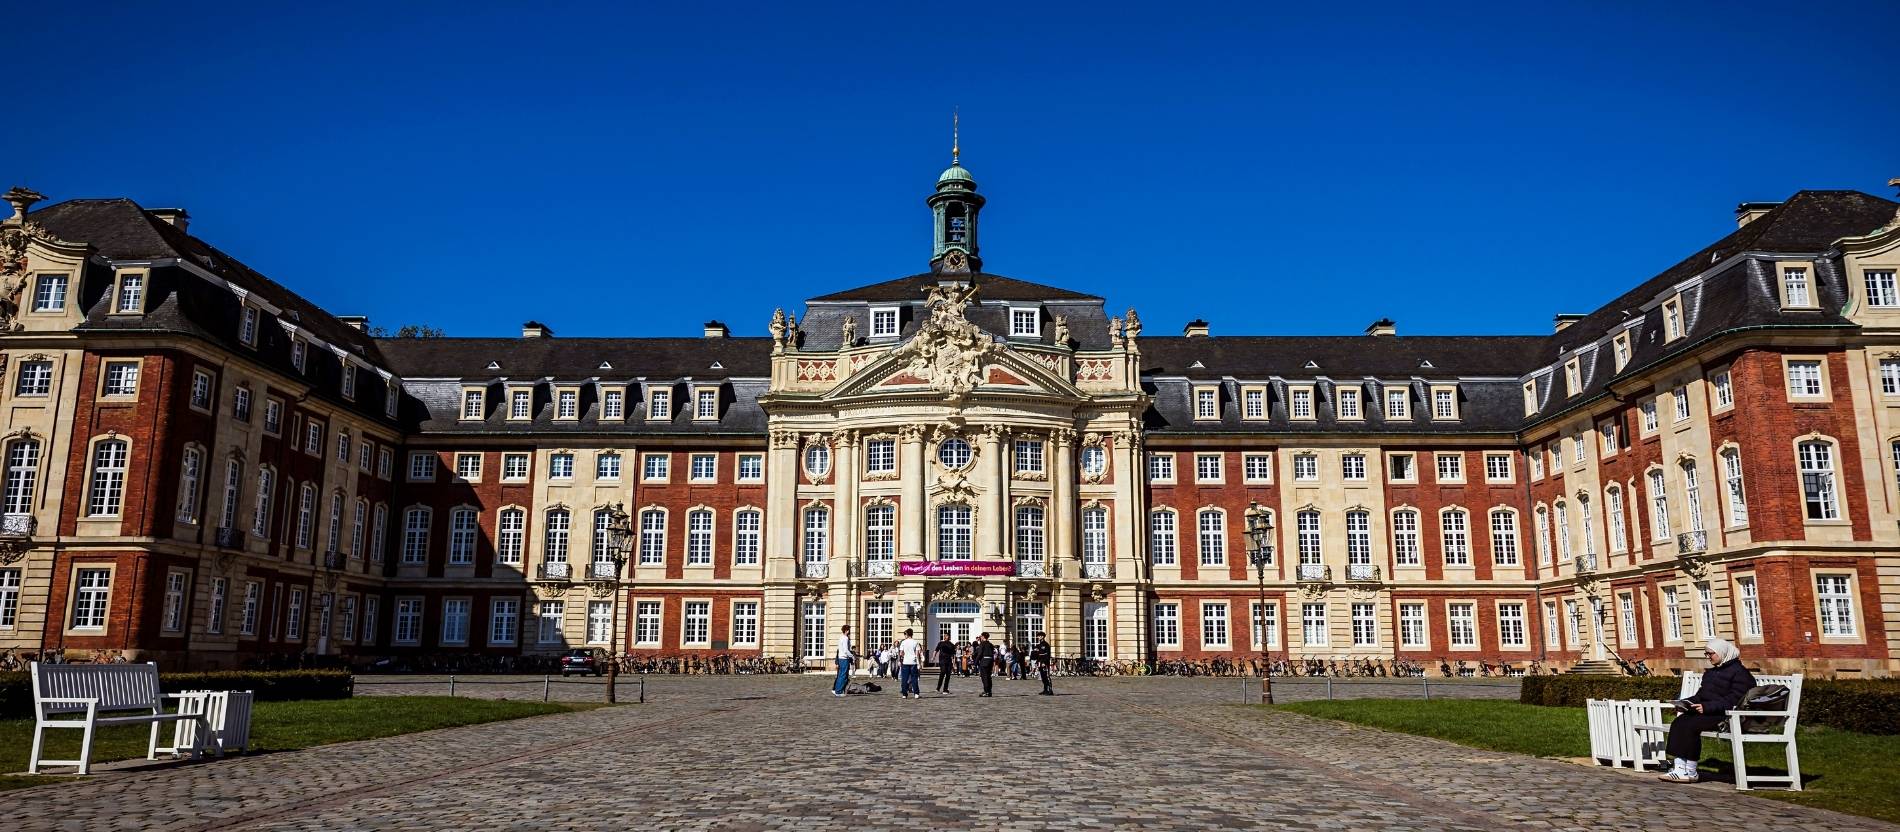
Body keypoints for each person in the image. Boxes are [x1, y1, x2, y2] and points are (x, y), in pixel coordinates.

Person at [1658, 638, 1757, 783]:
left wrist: (1707, 707)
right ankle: (1679, 768)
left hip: (1725, 715)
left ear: (1722, 653)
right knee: (1680, 721)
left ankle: (1690, 771)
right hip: (1708, 712)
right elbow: (1702, 695)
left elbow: (1734, 700)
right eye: (1707, 654)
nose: (1708, 657)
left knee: (1692, 725)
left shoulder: (1740, 673)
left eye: (1711, 654)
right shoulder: (1712, 673)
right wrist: (1686, 703)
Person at [897, 629, 922, 699]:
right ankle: (916, 693)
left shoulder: (903, 642)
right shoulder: (915, 642)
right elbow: (917, 654)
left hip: (905, 662)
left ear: (907, 634)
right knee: (914, 678)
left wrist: (904, 656)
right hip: (913, 662)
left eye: (905, 634)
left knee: (904, 679)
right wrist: (918, 663)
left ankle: (904, 694)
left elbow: (901, 653)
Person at [832, 625, 856, 697]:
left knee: (840, 675)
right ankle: (839, 691)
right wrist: (852, 656)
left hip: (840, 658)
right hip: (844, 659)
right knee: (843, 675)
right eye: (849, 630)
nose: (849, 632)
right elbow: (846, 650)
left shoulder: (841, 638)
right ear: (846, 631)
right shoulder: (845, 638)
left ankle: (837, 690)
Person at [973, 632, 998, 696]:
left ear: (983, 637)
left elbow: (980, 653)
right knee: (988, 677)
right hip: (990, 661)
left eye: (981, 636)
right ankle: (989, 691)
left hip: (984, 661)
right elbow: (993, 652)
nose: (980, 637)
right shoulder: (990, 644)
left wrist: (975, 662)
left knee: (984, 677)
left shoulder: (982, 644)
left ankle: (986, 691)